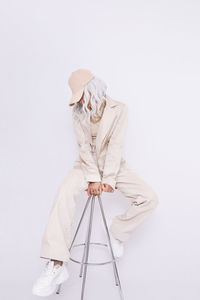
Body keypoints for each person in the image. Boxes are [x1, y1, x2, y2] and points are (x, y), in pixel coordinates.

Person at [32, 68, 159, 297]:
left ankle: (117, 230)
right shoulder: (78, 113)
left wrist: (108, 179)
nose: (80, 101)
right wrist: (93, 178)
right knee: (63, 195)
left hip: (114, 166)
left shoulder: (119, 109)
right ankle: (56, 265)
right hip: (85, 166)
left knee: (149, 198)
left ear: (92, 90)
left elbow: (115, 146)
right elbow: (84, 148)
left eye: (81, 95)